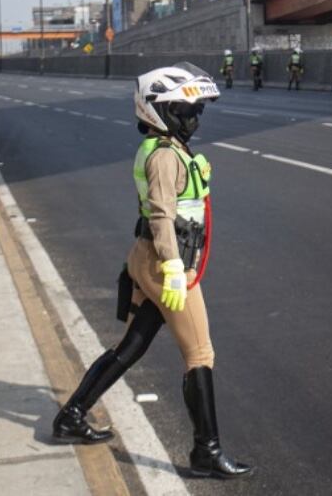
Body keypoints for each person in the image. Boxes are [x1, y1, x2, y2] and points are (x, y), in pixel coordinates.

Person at [52, 63, 253, 479]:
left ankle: (71, 414)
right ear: (159, 112)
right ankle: (206, 451)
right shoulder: (164, 155)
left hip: (149, 258)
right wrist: (176, 269)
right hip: (167, 265)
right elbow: (162, 215)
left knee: (131, 347)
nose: (194, 118)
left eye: (196, 110)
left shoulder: (168, 150)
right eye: (184, 110)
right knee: (200, 354)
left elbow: (178, 201)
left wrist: (198, 175)